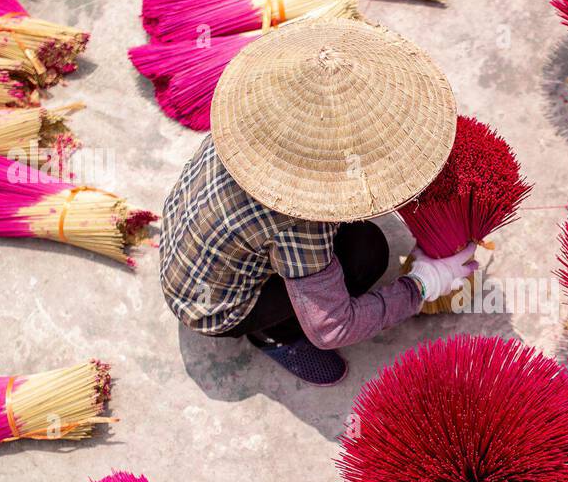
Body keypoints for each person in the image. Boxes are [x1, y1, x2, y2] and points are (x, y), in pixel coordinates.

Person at [159, 19, 477, 386]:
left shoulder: (250, 114)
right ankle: (276, 334)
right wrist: (422, 285)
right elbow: (333, 329)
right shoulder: (299, 221)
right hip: (213, 306)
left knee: (358, 238)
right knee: (367, 253)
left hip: (186, 241)